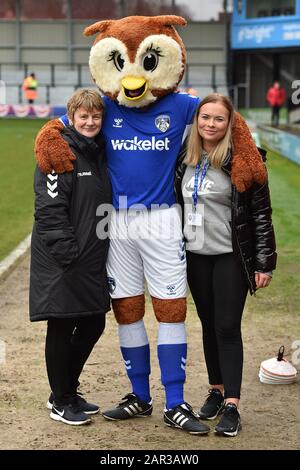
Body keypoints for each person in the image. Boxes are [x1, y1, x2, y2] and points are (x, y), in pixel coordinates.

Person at [177, 93, 277, 437]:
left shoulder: (245, 160)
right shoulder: (184, 157)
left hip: (230, 257)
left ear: (230, 123)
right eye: (205, 117)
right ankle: (216, 390)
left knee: (227, 326)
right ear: (197, 120)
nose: (210, 124)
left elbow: (261, 215)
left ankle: (232, 405)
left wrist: (265, 262)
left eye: (219, 119)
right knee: (207, 323)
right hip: (195, 256)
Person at [29, 88, 112, 426]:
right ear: (72, 118)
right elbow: (49, 211)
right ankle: (61, 400)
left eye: (95, 116)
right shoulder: (57, 151)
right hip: (62, 257)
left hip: (88, 256)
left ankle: (66, 390)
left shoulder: (96, 149)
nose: (90, 122)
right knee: (62, 324)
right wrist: (67, 254)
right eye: (84, 117)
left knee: (94, 320)